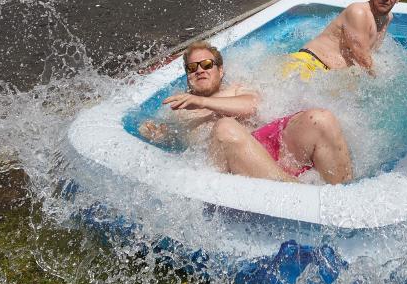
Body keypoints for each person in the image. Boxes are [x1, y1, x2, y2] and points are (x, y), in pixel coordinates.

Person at [140, 41, 353, 185]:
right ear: (187, 76)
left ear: (220, 70)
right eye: (192, 68)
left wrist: (203, 102)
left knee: (320, 119)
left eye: (206, 64)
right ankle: (304, 197)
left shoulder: (235, 90)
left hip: (266, 152)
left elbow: (253, 106)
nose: (200, 70)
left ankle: (345, 200)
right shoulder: (180, 108)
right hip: (237, 167)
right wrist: (157, 133)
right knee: (225, 128)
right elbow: (176, 140)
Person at [284, 0, 402, 77]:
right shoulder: (358, 12)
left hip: (327, 76)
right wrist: (380, 80)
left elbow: (372, 51)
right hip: (309, 64)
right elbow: (362, 58)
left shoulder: (387, 18)